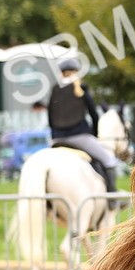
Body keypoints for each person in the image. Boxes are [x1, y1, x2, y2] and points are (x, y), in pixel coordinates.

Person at [47, 58, 120, 207]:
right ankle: (112, 199)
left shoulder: (55, 89)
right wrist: (93, 133)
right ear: (76, 73)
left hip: (57, 139)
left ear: (61, 74)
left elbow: (50, 116)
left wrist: (55, 135)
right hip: (79, 137)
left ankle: (48, 203)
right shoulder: (81, 89)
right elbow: (94, 114)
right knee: (109, 161)